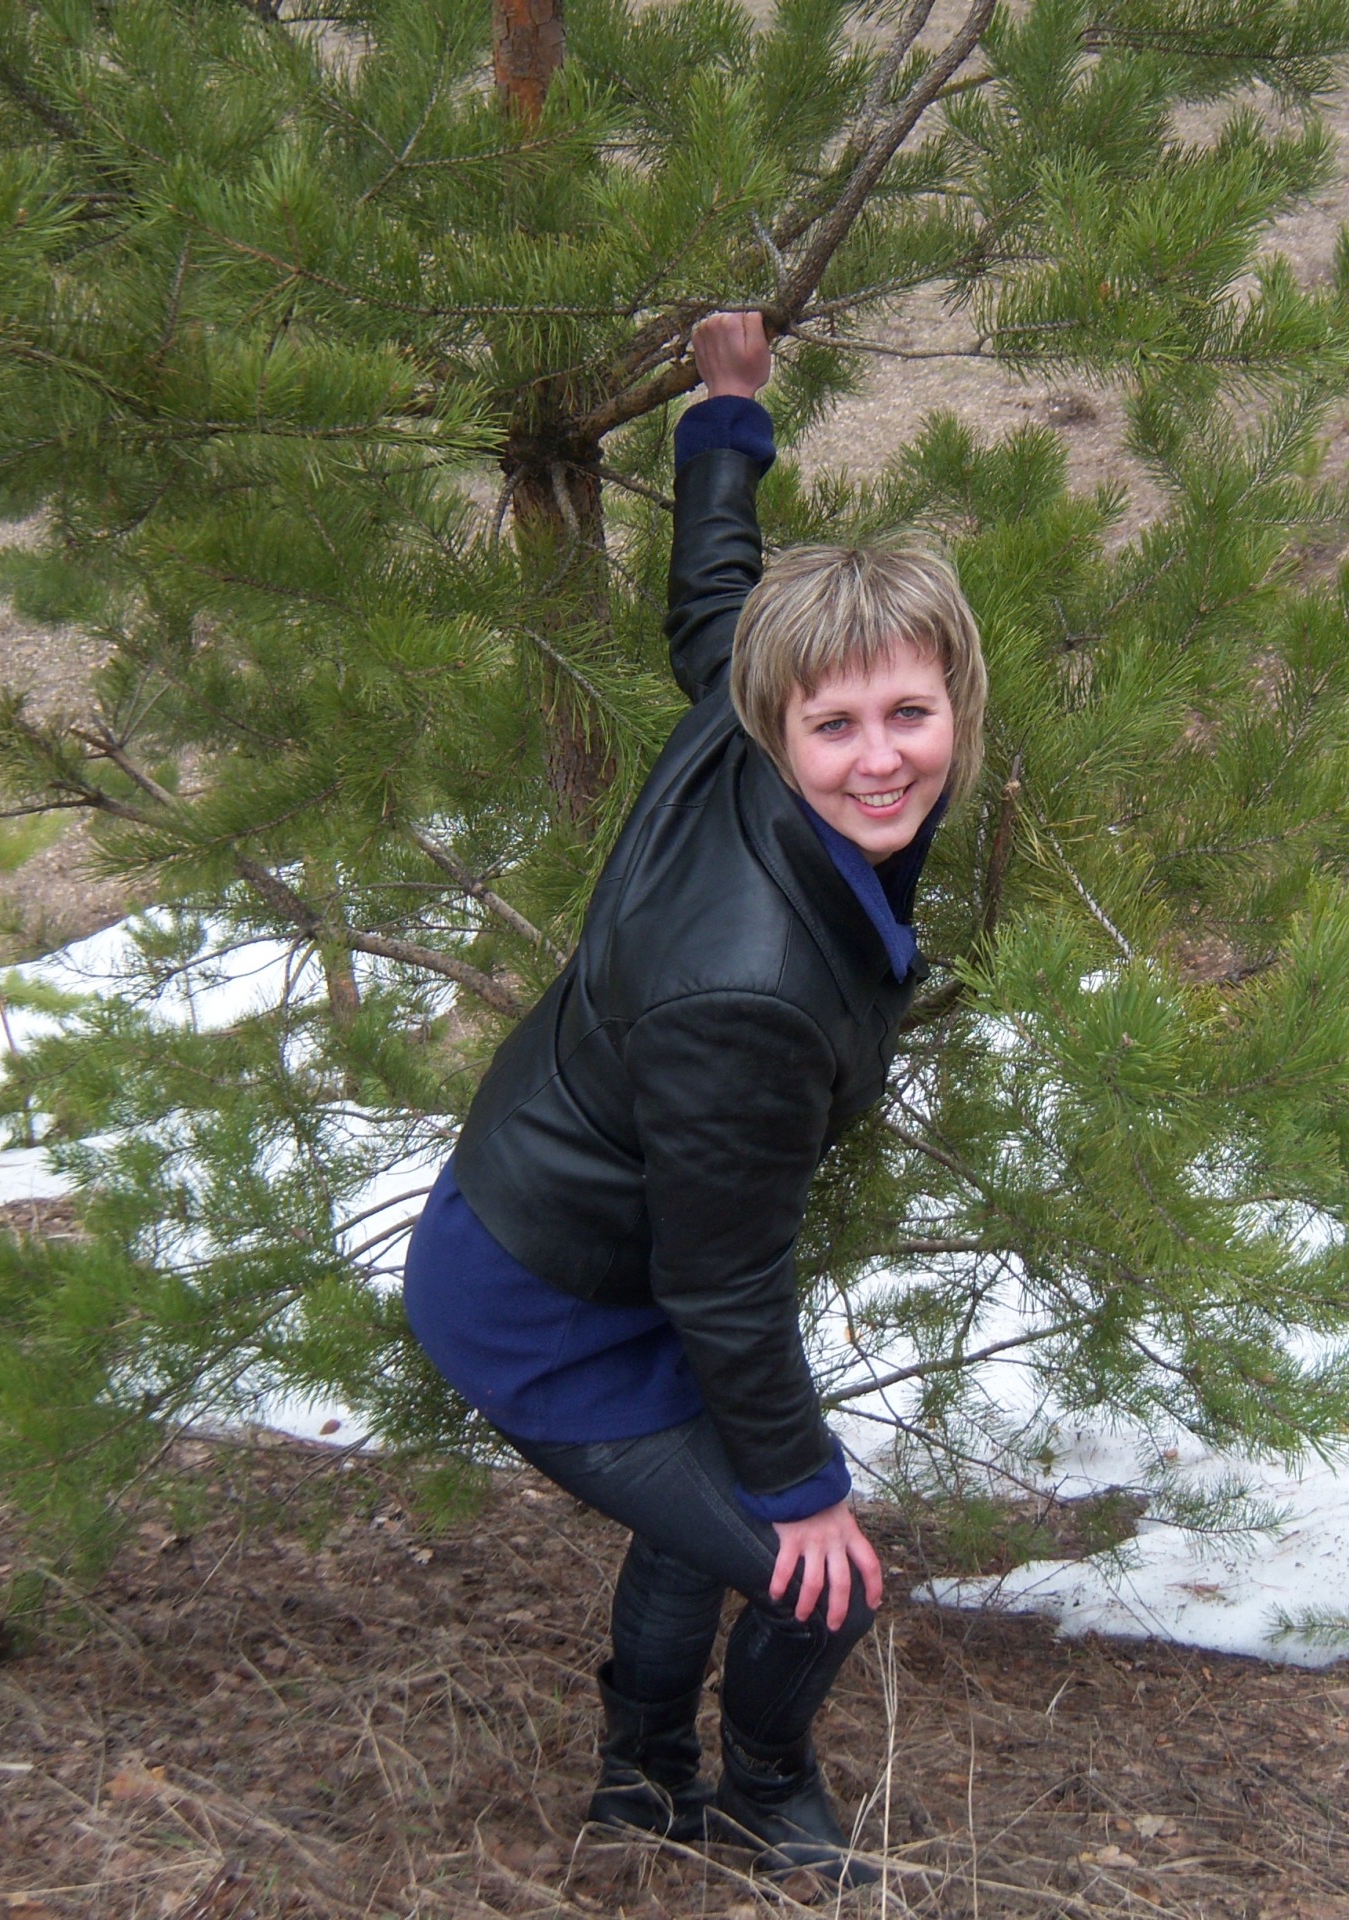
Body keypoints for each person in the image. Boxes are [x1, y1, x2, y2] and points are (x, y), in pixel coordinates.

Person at [401, 308, 986, 1887]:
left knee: (711, 1511)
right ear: (781, 720)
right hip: (542, 1297)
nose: (880, 760)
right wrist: (802, 1494)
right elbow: (721, 1279)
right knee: (821, 1578)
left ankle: (643, 1777)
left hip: (602, 1221)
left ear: (957, 700)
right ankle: (758, 1790)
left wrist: (726, 416)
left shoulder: (746, 715)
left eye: (910, 714)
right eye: (838, 726)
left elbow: (714, 602)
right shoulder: (748, 992)